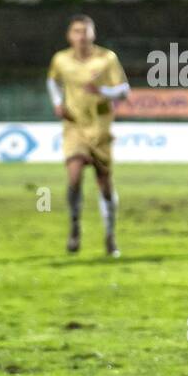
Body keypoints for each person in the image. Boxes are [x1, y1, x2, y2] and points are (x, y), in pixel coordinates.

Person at [46, 15, 131, 257]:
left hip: (100, 128)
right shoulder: (60, 59)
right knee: (73, 175)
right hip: (74, 126)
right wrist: (57, 102)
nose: (81, 36)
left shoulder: (107, 59)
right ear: (69, 35)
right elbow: (52, 81)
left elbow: (124, 91)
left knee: (104, 183)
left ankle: (110, 235)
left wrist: (102, 90)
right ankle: (74, 227)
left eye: (86, 31)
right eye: (77, 31)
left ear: (93, 34)